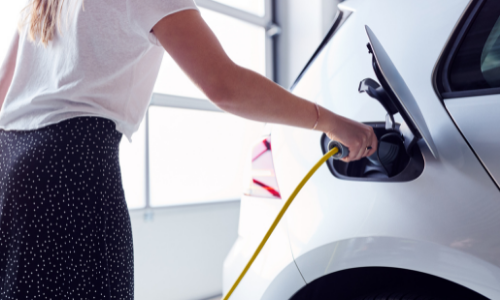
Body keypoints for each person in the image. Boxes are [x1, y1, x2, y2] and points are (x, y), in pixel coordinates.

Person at [0, 0, 377, 299]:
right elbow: (224, 85)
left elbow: (3, 92)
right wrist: (330, 121)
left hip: (10, 162)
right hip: (69, 168)